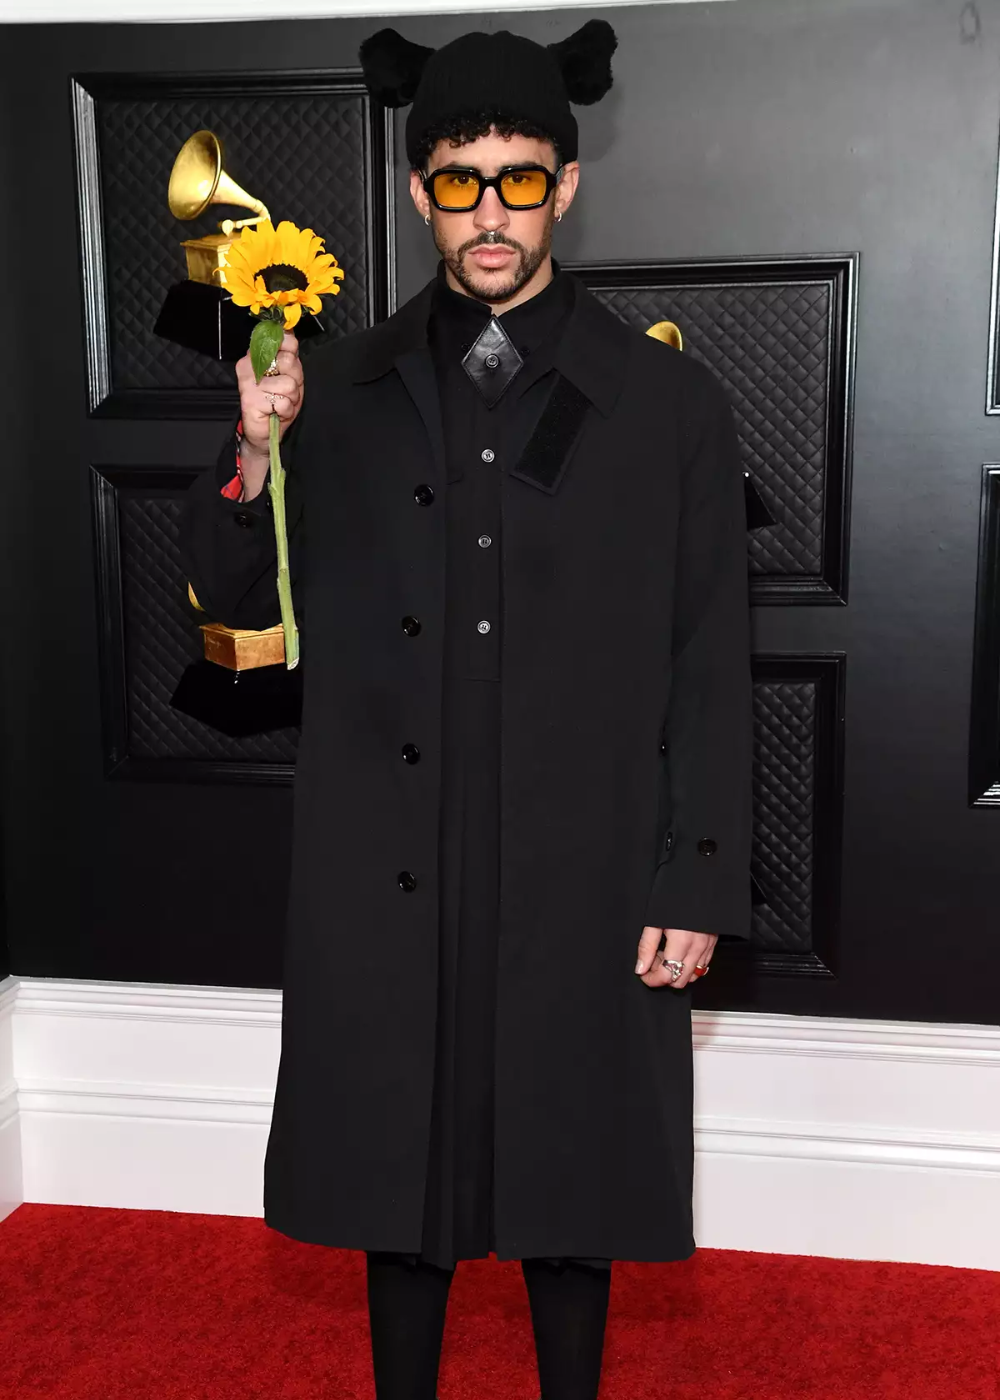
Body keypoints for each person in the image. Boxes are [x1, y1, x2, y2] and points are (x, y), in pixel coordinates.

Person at [179, 20, 754, 1400]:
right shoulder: (336, 390)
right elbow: (239, 631)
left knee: (573, 1176)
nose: (488, 211)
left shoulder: (669, 403)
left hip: (588, 853)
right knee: (403, 1178)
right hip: (396, 857)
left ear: (565, 184)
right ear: (419, 187)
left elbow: (710, 653)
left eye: (516, 177)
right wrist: (253, 449)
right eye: (457, 180)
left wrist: (699, 874)